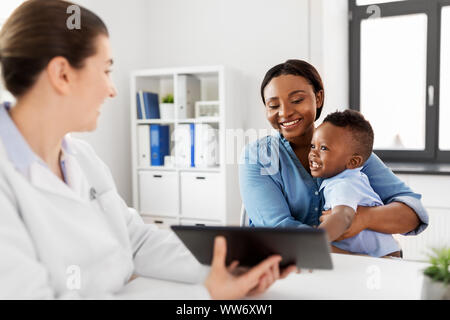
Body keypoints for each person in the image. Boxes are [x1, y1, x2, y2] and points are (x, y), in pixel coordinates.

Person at [0, 0, 296, 299]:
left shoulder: (81, 158)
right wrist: (206, 295)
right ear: (62, 74)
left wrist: (229, 268)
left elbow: (137, 240)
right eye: (105, 71)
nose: (112, 89)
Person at [239, 59, 429, 253]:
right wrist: (361, 260)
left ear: (318, 98)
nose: (285, 112)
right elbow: (280, 234)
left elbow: (411, 215)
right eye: (273, 105)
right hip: (290, 270)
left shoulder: (348, 149)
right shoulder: (259, 156)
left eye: (297, 100)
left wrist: (363, 218)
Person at [310, 110, 401, 257]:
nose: (313, 153)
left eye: (324, 148)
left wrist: (316, 239)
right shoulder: (347, 178)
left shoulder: (345, 184)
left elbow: (343, 216)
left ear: (353, 162)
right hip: (381, 254)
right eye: (313, 146)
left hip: (383, 259)